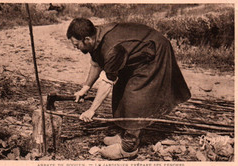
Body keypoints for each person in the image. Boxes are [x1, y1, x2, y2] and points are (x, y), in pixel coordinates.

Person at [66, 18, 191, 159]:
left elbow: (107, 83)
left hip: (154, 52)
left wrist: (91, 110)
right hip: (135, 51)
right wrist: (85, 88)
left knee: (135, 94)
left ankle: (129, 147)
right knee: (121, 89)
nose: (75, 48)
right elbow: (96, 64)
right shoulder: (96, 37)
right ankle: (123, 132)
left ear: (87, 39)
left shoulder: (112, 48)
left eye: (76, 44)